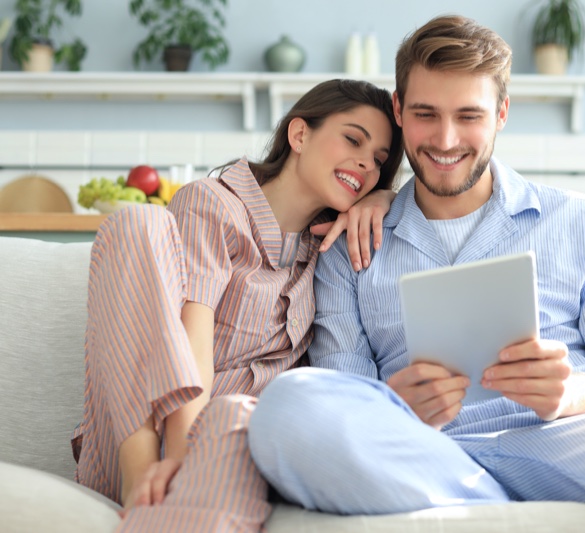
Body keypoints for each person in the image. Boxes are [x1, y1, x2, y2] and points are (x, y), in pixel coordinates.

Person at [248, 15, 585, 532]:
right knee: (288, 408)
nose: (444, 140)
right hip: (423, 454)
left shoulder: (581, 222)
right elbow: (344, 399)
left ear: (502, 114)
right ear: (398, 110)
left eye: (469, 116)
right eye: (425, 114)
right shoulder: (349, 247)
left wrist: (573, 393)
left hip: (572, 440)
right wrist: (394, 403)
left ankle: (480, 505)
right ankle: (487, 502)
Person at [71, 78, 404, 525]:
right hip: (154, 435)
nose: (366, 163)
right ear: (300, 135)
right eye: (353, 139)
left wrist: (387, 197)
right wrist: (183, 453)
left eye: (379, 162)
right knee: (137, 222)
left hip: (237, 444)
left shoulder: (332, 248)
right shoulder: (213, 205)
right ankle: (144, 481)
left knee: (239, 418)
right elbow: (194, 338)